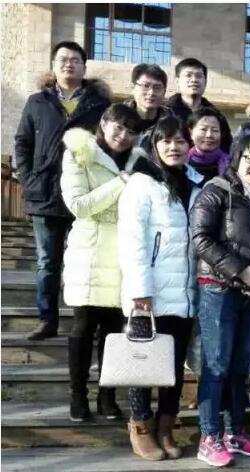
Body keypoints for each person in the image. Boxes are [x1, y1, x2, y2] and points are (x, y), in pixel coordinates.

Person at [190, 133, 250, 468]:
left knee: (241, 365)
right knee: (216, 365)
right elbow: (201, 239)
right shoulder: (216, 191)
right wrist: (241, 270)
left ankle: (235, 432)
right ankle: (208, 437)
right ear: (237, 159)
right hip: (219, 288)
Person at [14, 40, 111, 341]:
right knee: (47, 262)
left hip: (86, 193)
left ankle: (92, 323)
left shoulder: (99, 104)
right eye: (63, 60)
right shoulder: (37, 102)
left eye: (75, 60)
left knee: (91, 259)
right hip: (46, 194)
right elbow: (23, 143)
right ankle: (47, 319)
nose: (69, 64)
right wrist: (29, 179)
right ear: (54, 66)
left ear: (84, 67)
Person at [118, 116, 202, 461]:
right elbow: (132, 240)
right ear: (154, 146)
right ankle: (140, 425)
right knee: (143, 364)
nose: (174, 147)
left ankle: (166, 425)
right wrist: (140, 291)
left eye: (180, 141)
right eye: (166, 141)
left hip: (183, 293)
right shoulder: (142, 183)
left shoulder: (194, 183)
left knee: (173, 365)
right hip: (149, 294)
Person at [60, 104, 145, 422]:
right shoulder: (79, 153)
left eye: (131, 131)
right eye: (118, 127)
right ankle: (77, 395)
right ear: (104, 123)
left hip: (124, 251)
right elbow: (79, 205)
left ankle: (107, 396)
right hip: (90, 249)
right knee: (83, 327)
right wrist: (121, 182)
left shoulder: (138, 160)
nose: (123, 136)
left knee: (113, 330)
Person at [166, 57, 232, 153]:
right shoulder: (166, 112)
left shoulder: (216, 115)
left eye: (199, 76)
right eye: (188, 75)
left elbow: (227, 147)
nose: (194, 80)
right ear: (177, 81)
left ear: (205, 82)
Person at [125, 63, 174, 153]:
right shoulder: (117, 118)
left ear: (164, 92)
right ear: (133, 88)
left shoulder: (173, 123)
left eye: (157, 87)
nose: (151, 92)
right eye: (146, 86)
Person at [186, 107, 231, 183]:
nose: (209, 135)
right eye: (203, 129)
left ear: (221, 134)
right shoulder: (181, 163)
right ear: (191, 133)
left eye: (215, 130)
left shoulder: (231, 165)